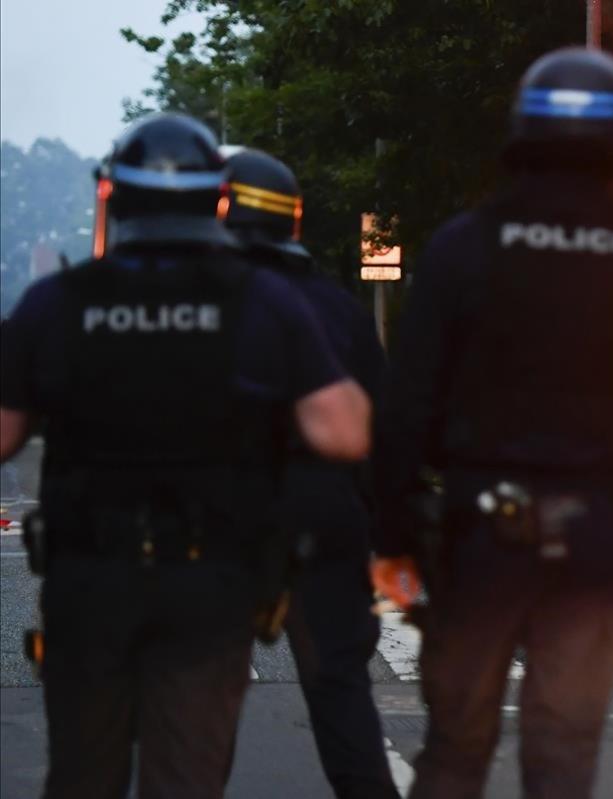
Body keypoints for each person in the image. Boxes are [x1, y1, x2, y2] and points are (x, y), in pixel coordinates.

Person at [0, 112, 371, 799]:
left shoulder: (59, 302)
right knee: (187, 778)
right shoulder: (264, 301)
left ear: (112, 197)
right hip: (212, 582)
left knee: (82, 774)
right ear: (218, 200)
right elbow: (344, 431)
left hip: (89, 580)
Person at [371, 47, 613, 798]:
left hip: (478, 534)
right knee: (561, 756)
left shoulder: (464, 244)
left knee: (455, 749)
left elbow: (405, 404)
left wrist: (392, 532)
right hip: (593, 535)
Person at [222, 147, 398, 799]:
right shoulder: (338, 308)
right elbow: (381, 437)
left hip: (221, 528)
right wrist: (384, 535)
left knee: (198, 714)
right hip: (324, 522)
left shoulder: (195, 305)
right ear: (291, 222)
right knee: (341, 700)